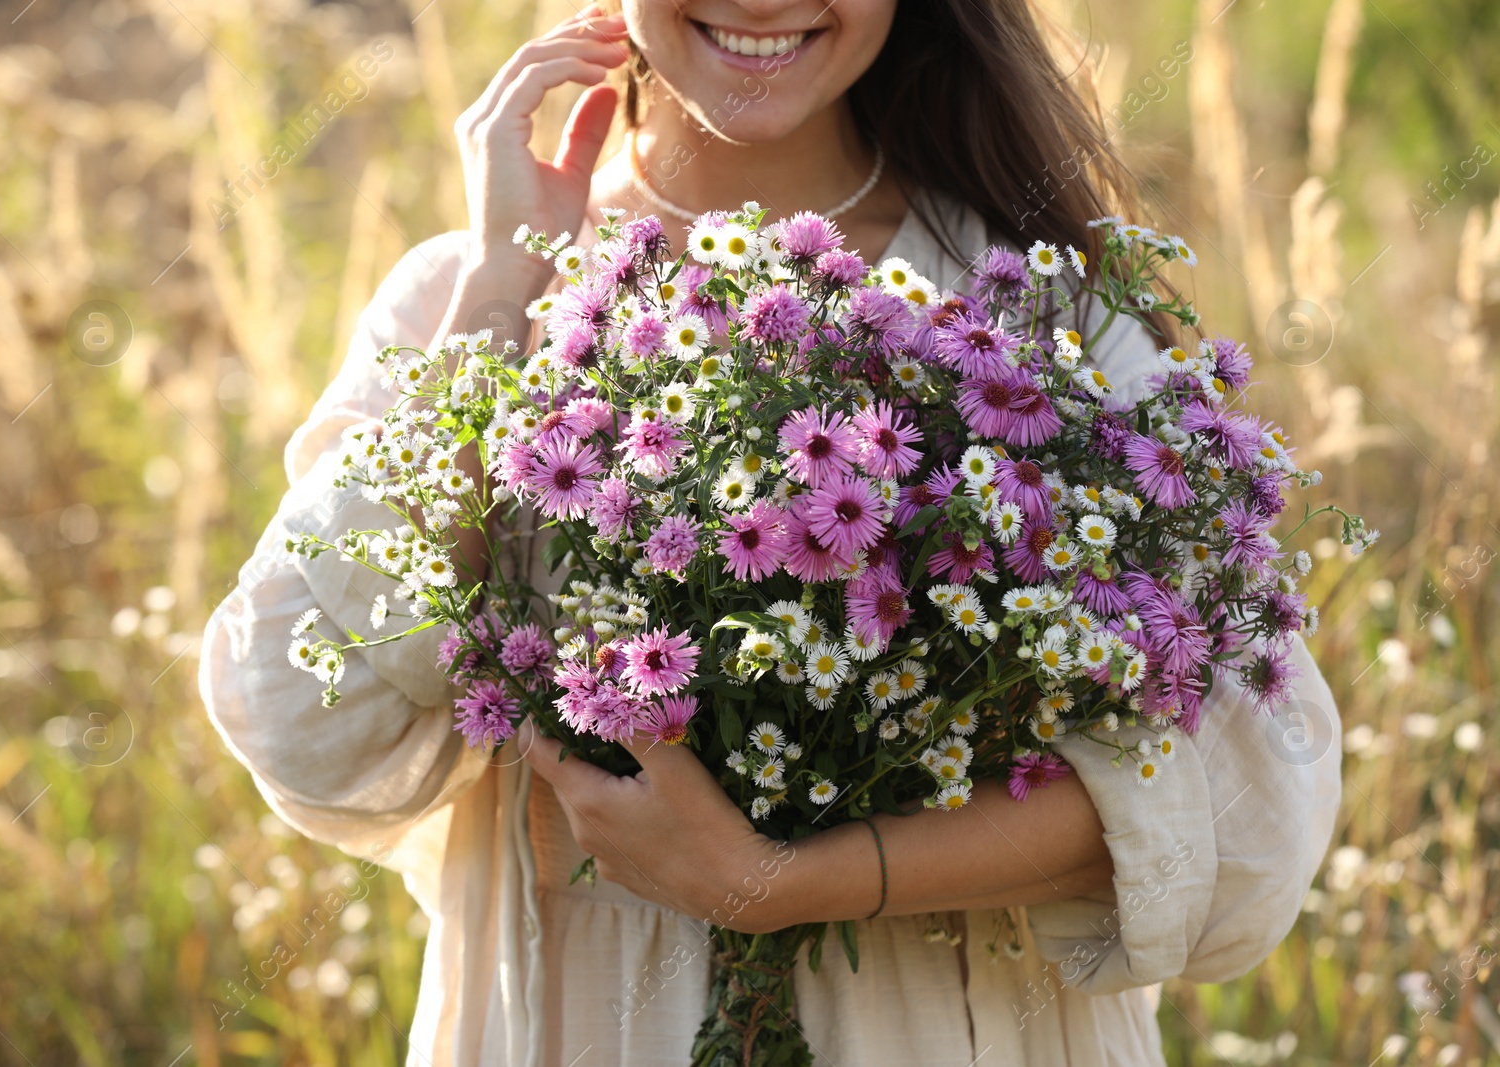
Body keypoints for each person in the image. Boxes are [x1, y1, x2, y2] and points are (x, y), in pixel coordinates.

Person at [199, 2, 1342, 1064]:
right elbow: (307, 726)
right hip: (580, 1020)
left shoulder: (1034, 307)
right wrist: (505, 281)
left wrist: (789, 880)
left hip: (943, 1025)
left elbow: (1240, 775)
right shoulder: (468, 301)